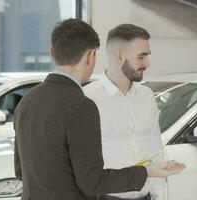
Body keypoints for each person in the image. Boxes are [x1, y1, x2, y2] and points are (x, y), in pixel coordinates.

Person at [13, 19, 185, 200]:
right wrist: (145, 171)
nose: (147, 63)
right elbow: (92, 181)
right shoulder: (82, 104)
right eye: (142, 56)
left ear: (52, 53)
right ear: (90, 56)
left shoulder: (26, 101)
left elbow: (21, 171)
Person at [84, 24, 170, 200]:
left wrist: (158, 194)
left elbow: (155, 148)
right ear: (119, 55)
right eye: (141, 57)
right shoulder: (87, 99)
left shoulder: (146, 96)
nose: (147, 64)